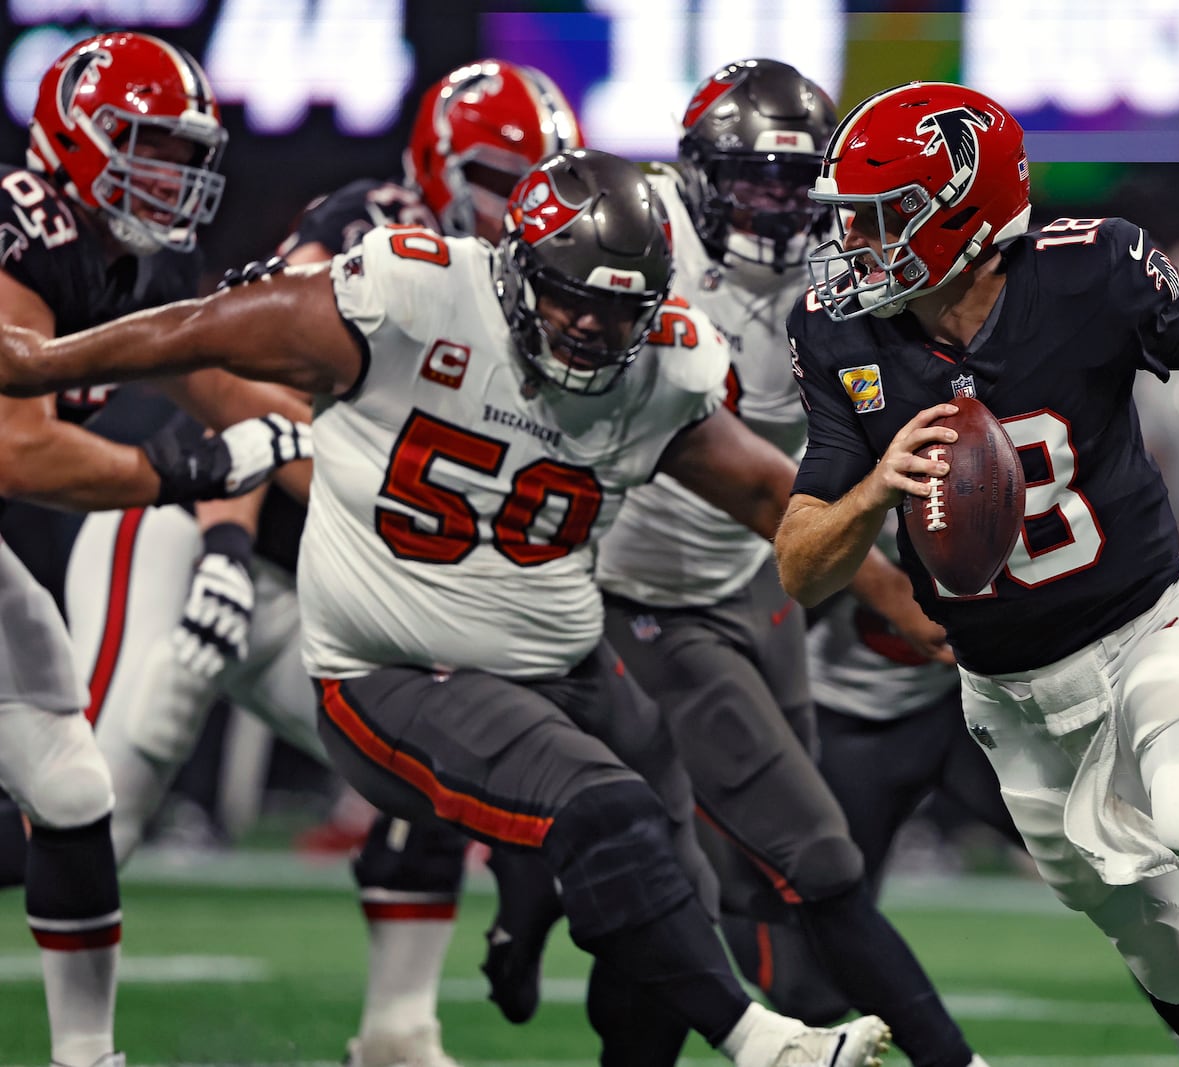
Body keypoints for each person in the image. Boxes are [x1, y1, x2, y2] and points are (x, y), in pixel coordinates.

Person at [0, 147, 891, 1067]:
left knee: (659, 863)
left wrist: (908, 594)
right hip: (355, 616)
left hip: (524, 644)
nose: (588, 327)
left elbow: (761, 491)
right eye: (568, 294)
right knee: (111, 776)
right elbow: (211, 346)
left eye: (617, 307)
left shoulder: (661, 362)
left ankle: (404, 1025)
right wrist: (50, 372)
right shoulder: (394, 276)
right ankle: (759, 1042)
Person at [775, 80, 1179, 1067]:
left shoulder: (1087, 275)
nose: (854, 244)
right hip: (1007, 693)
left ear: (963, 213)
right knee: (1158, 946)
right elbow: (798, 564)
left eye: (879, 219)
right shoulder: (837, 332)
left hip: (1144, 626)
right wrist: (871, 494)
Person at [63, 57, 584, 1067]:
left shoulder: (550, 305)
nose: (518, 203)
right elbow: (250, 380)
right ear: (434, 167)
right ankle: (80, 1047)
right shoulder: (372, 238)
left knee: (446, 758)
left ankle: (398, 1031)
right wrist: (218, 542)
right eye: (494, 175)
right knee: (95, 796)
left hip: (334, 591)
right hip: (206, 533)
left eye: (538, 177)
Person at [587, 58, 979, 1067]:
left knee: (756, 860)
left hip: (762, 580)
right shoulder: (643, 233)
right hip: (618, 582)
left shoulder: (844, 271)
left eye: (798, 178)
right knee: (715, 848)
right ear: (700, 172)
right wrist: (889, 583)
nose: (778, 199)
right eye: (755, 176)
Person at [0, 32, 313, 1067]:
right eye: (147, 145)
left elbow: (234, 399)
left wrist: (378, 472)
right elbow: (19, 449)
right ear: (75, 136)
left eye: (182, 154)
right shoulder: (23, 226)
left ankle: (86, 1056)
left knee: (71, 783)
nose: (169, 175)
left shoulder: (129, 258)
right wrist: (178, 475)